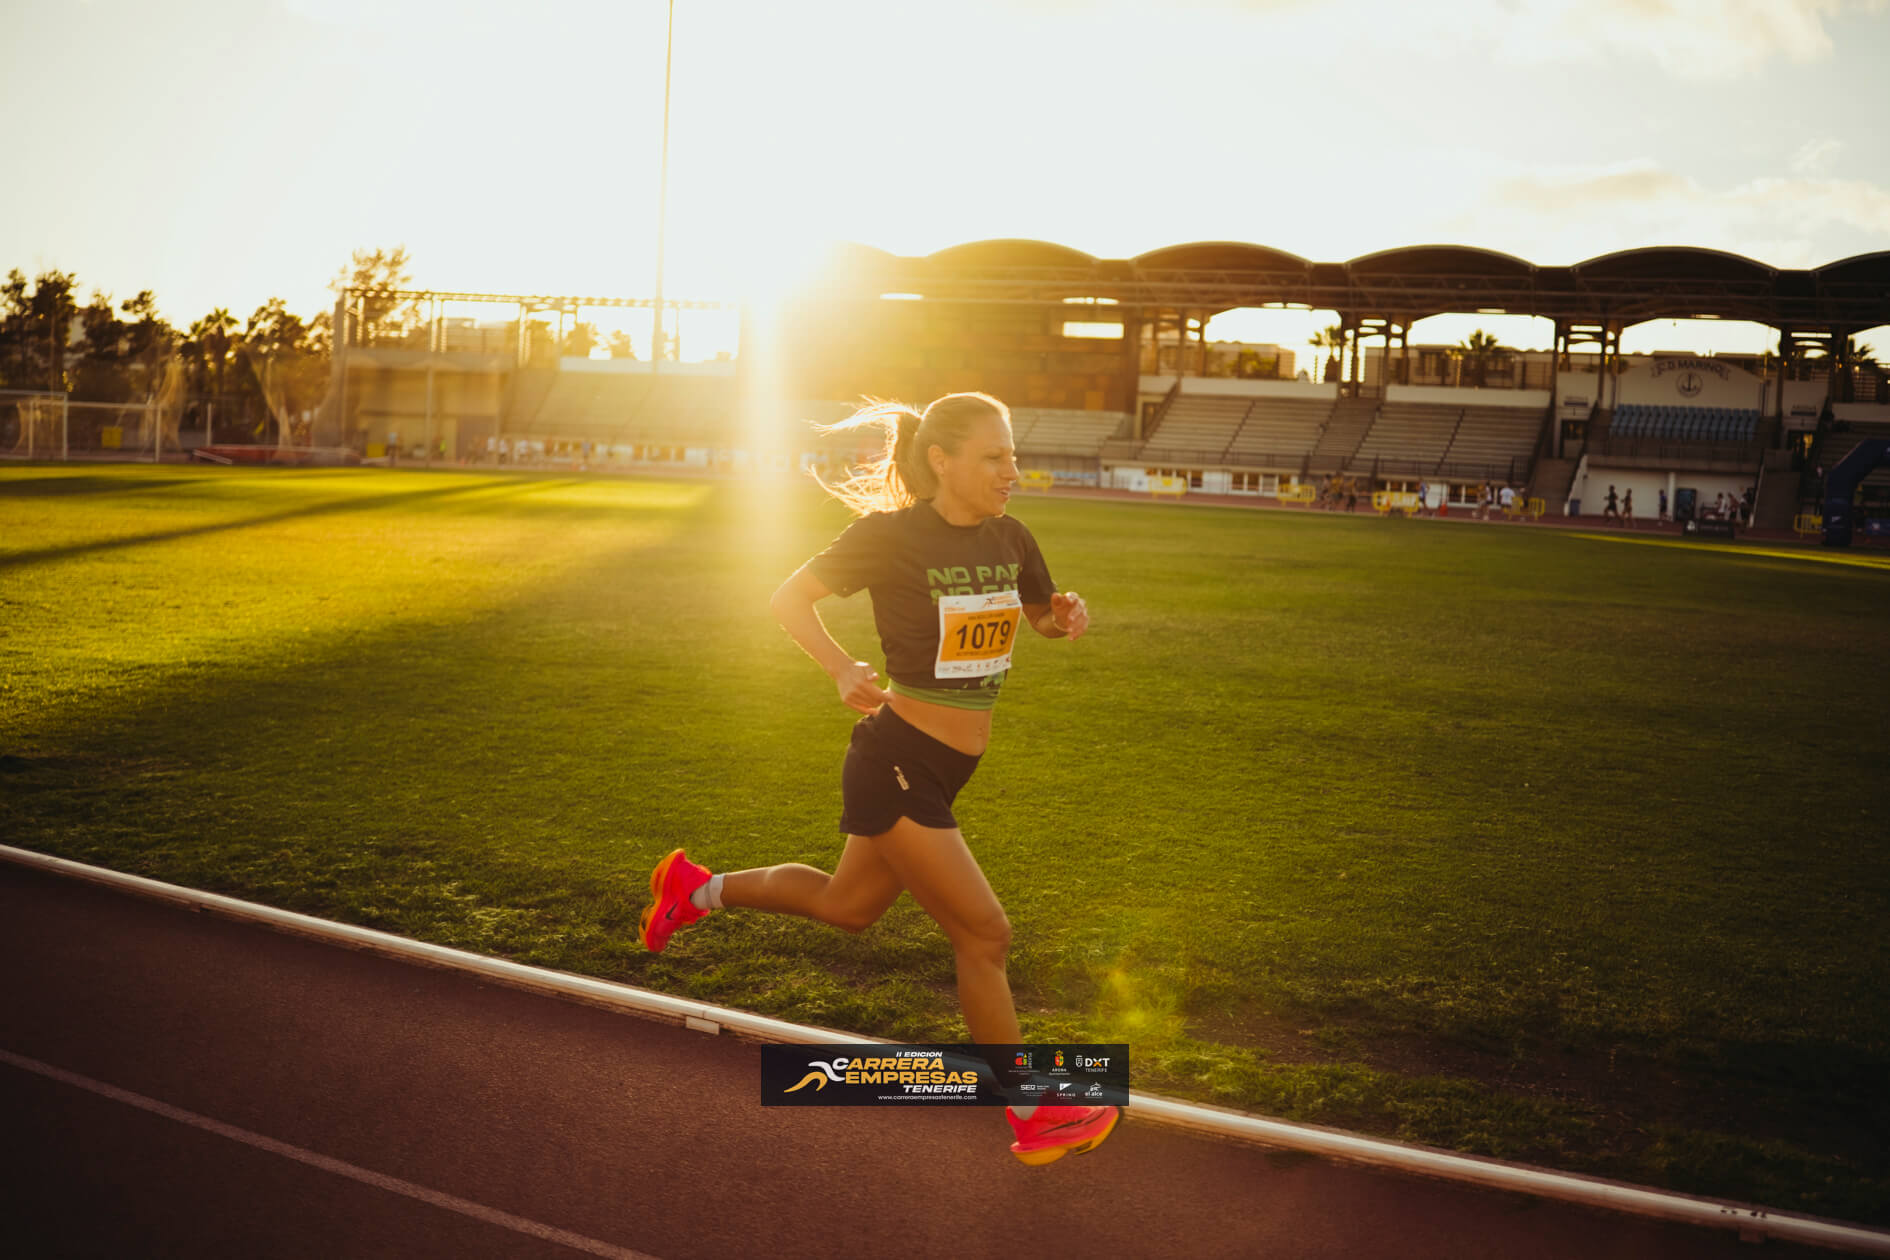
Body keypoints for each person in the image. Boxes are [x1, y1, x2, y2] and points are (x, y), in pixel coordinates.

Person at [636, 392, 1119, 1166]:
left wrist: (1063, 619)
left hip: (948, 768)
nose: (1012, 471)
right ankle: (1034, 1111)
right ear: (942, 460)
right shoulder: (889, 537)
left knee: (847, 905)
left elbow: (1038, 618)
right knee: (984, 934)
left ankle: (694, 890)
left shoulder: (1012, 536)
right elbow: (789, 598)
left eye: (1013, 456)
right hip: (897, 760)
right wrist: (839, 667)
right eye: (995, 457)